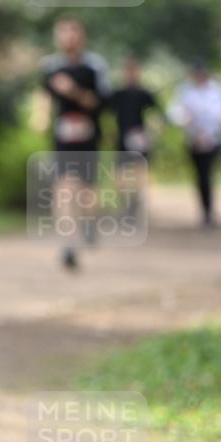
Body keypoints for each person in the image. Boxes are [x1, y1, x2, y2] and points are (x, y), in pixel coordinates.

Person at [39, 18, 111, 269]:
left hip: (89, 137)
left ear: (82, 37)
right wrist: (40, 118)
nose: (68, 38)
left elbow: (99, 103)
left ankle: (90, 224)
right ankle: (68, 243)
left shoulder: (94, 67)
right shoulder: (50, 67)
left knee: (87, 192)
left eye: (73, 33)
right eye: (63, 33)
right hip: (63, 138)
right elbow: (45, 97)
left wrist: (72, 91)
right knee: (64, 188)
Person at [168, 61, 221, 228]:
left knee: (206, 173)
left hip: (212, 139)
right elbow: (175, 112)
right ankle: (205, 209)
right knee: (200, 175)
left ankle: (208, 210)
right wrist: (185, 118)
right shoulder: (186, 91)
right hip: (193, 139)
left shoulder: (215, 90)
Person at [108, 56, 161, 219]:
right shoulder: (118, 94)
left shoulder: (144, 93)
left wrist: (153, 132)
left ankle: (138, 203)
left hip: (140, 138)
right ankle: (128, 204)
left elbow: (156, 114)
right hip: (122, 138)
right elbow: (107, 114)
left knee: (140, 172)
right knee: (121, 175)